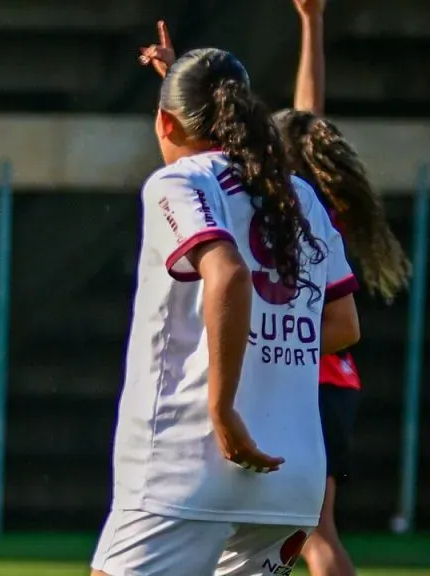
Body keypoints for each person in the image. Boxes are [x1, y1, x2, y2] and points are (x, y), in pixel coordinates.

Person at [92, 47, 361, 575]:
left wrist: (223, 409)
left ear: (166, 121)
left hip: (188, 459)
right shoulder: (298, 195)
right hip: (292, 478)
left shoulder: (178, 182)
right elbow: (343, 324)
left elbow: (229, 272)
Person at [272, 2, 412, 574]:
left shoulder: (288, 202)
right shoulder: (324, 201)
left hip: (304, 374)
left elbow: (306, 115)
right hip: (336, 378)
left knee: (313, 532)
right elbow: (310, 114)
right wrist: (312, 23)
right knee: (304, 529)